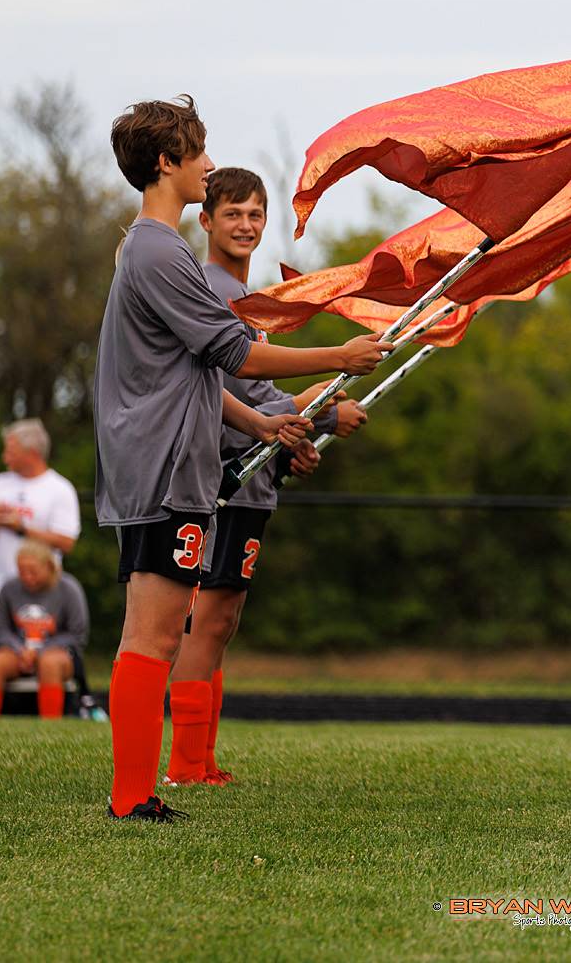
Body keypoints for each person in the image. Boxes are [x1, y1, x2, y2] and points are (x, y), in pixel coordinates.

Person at [97, 95, 391, 821]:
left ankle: (139, 791)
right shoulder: (160, 248)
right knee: (158, 632)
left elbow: (198, 369)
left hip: (172, 459)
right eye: (197, 152)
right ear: (165, 162)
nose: (207, 165)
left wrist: (260, 422)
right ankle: (133, 797)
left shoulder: (153, 248)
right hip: (166, 465)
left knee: (163, 629)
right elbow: (235, 350)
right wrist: (340, 354)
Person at [161, 167, 369, 788]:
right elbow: (219, 389)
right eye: (233, 214)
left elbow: (261, 392)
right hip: (217, 475)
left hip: (250, 475)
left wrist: (296, 438)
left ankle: (203, 760)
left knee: (223, 620)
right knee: (205, 616)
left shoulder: (246, 301)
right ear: (205, 221)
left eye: (255, 214)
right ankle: (183, 766)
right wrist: (323, 408)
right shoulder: (208, 291)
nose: (246, 226)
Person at [0, 419, 80, 610]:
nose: (5, 458)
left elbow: (67, 542)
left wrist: (21, 528)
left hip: (41, 594)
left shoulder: (60, 489)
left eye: (11, 452)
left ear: (32, 454)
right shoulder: (1, 482)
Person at [0, 541, 89, 719]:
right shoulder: (9, 589)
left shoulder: (68, 589)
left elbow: (77, 634)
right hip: (18, 653)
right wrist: (20, 650)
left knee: (49, 663)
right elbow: (2, 629)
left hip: (58, 654)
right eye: (22, 571)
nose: (27, 577)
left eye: (33, 571)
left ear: (49, 567)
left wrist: (39, 651)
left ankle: (50, 725)